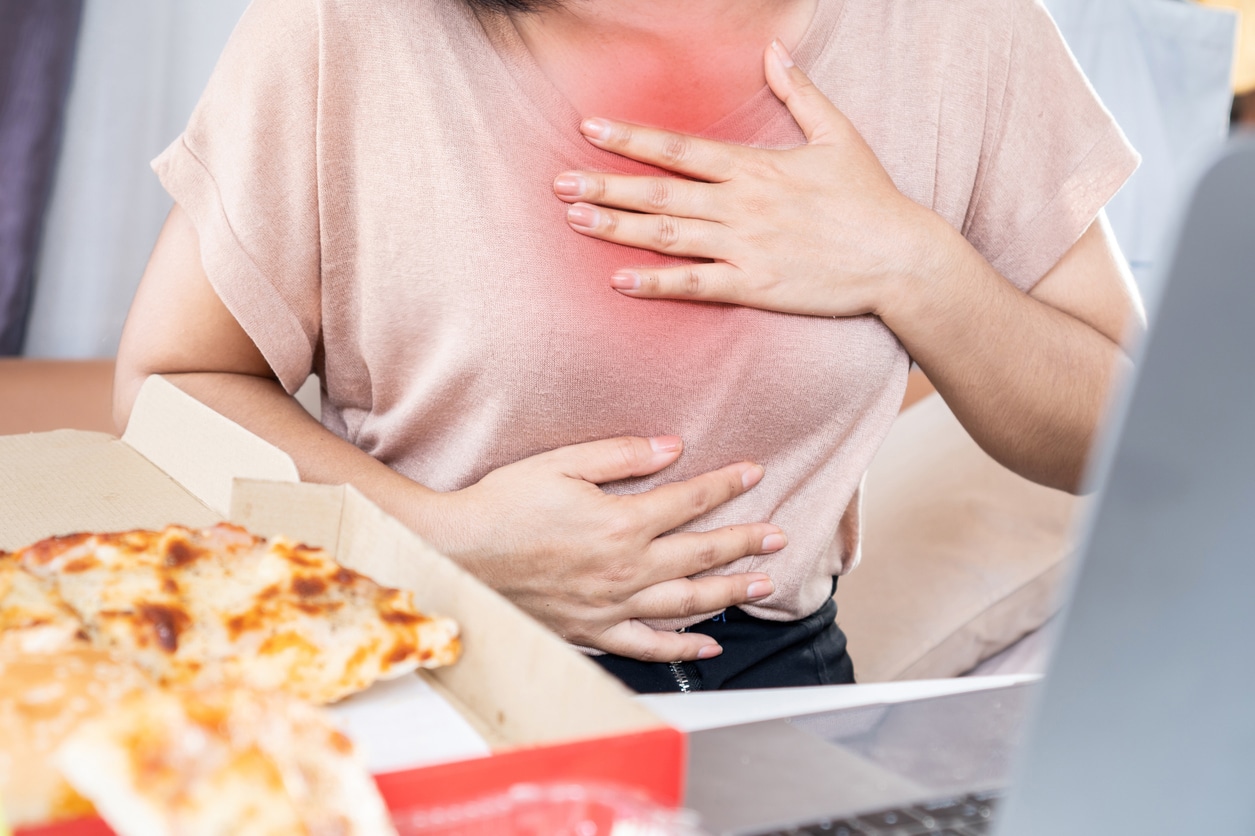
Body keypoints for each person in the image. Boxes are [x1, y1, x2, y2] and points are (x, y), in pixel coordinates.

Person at [113, 0, 1145, 693]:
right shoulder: (352, 26)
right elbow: (165, 389)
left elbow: (1133, 422)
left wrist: (913, 266)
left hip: (772, 695)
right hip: (420, 675)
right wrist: (436, 542)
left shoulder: (956, 27)